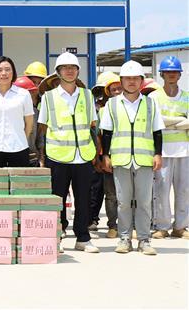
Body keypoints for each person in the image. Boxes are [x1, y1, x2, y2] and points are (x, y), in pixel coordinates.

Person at [37, 52, 100, 254]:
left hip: (83, 155)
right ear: (58, 72)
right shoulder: (48, 98)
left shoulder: (87, 95)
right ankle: (57, 235)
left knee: (83, 198)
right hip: (57, 156)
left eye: (73, 67)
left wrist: (96, 153)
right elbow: (42, 129)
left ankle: (83, 238)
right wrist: (41, 157)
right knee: (58, 199)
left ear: (78, 71)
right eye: (65, 68)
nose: (69, 71)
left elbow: (93, 126)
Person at [100, 60, 164, 255]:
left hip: (145, 160)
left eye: (136, 78)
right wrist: (106, 155)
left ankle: (144, 240)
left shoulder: (151, 104)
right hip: (120, 160)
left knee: (144, 201)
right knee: (123, 201)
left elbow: (157, 132)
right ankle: (124, 239)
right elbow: (107, 133)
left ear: (141, 81)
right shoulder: (112, 104)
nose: (131, 82)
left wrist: (158, 154)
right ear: (121, 81)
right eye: (127, 78)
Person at [150, 56, 188, 239]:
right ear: (162, 74)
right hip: (162, 151)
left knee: (184, 190)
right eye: (168, 72)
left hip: (184, 150)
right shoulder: (154, 97)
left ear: (179, 75)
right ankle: (162, 226)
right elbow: (156, 121)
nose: (171, 74)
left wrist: (167, 123)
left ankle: (181, 226)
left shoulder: (187, 97)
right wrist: (181, 120)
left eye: (175, 72)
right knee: (162, 190)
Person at [0, 56, 34, 167]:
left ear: (13, 72)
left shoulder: (23, 94)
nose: (4, 73)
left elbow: (29, 123)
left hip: (19, 149)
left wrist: (20, 139)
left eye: (7, 69)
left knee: (18, 179)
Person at [89, 72, 122, 238]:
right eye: (111, 89)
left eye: (118, 89)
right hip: (105, 157)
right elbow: (98, 135)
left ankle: (128, 225)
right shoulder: (100, 111)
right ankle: (109, 224)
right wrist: (99, 157)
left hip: (125, 156)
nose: (116, 92)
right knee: (105, 193)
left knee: (127, 195)